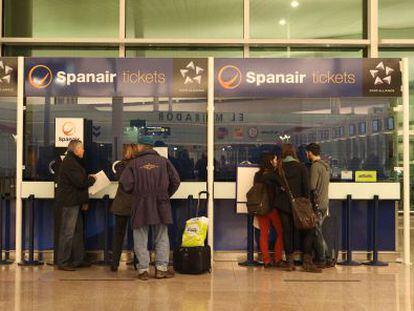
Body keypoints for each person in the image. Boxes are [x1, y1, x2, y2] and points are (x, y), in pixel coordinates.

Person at [120, 136, 181, 281]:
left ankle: (143, 271)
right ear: (152, 147)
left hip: (140, 203)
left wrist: (137, 194)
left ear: (141, 146)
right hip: (161, 203)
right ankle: (161, 269)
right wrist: (165, 195)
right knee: (161, 236)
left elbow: (125, 184)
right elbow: (176, 181)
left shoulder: (134, 164)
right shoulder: (164, 162)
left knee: (140, 237)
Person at [265, 144, 321, 273]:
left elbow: (266, 178)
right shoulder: (301, 167)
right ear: (293, 153)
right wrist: (307, 204)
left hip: (284, 205)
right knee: (308, 230)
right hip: (300, 205)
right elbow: (307, 188)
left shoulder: (279, 168)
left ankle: (290, 262)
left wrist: (280, 186)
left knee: (287, 232)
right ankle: (307, 262)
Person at [55, 140, 96, 271]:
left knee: (77, 232)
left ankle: (79, 259)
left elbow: (78, 180)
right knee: (68, 233)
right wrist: (92, 179)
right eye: (82, 148)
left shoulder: (73, 162)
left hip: (74, 202)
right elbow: (80, 182)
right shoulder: (70, 163)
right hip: (70, 202)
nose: (84, 150)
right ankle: (63, 261)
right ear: (75, 150)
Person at [110, 144, 139, 272]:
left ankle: (114, 264)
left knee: (118, 236)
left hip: (121, 204)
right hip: (135, 205)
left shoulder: (120, 166)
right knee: (138, 236)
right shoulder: (138, 166)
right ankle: (138, 263)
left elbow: (121, 181)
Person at [306, 143, 334, 268]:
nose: (306, 155)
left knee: (317, 232)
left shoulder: (315, 167)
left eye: (307, 153)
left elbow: (312, 186)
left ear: (310, 153)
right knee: (318, 231)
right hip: (324, 203)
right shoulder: (325, 166)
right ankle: (328, 258)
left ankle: (324, 258)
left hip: (317, 204)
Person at [254, 153, 284, 268]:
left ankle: (266, 260)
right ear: (271, 161)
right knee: (280, 232)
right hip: (272, 209)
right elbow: (283, 187)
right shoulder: (274, 175)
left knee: (263, 234)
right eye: (275, 160)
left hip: (261, 209)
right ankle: (277, 258)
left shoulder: (258, 175)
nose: (276, 161)